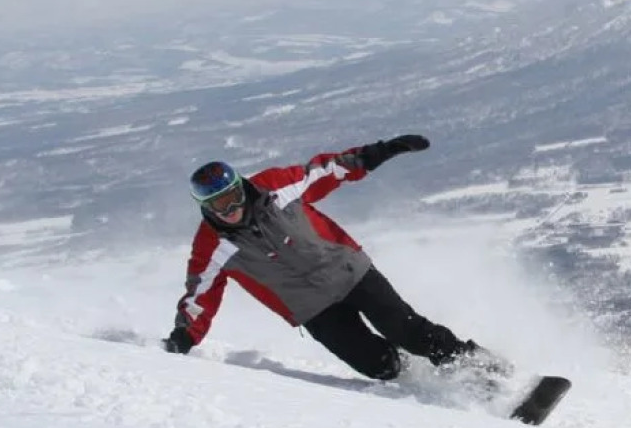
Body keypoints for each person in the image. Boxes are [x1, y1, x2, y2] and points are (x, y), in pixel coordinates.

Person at [163, 135, 486, 382]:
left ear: (241, 187)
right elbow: (200, 294)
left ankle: (487, 371)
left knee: (408, 330)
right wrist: (185, 335)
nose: (231, 210)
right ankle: (418, 378)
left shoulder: (275, 187)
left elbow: (326, 171)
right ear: (205, 208)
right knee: (374, 364)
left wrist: (377, 153)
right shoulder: (211, 245)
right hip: (313, 308)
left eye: (233, 198)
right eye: (220, 206)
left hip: (349, 272)